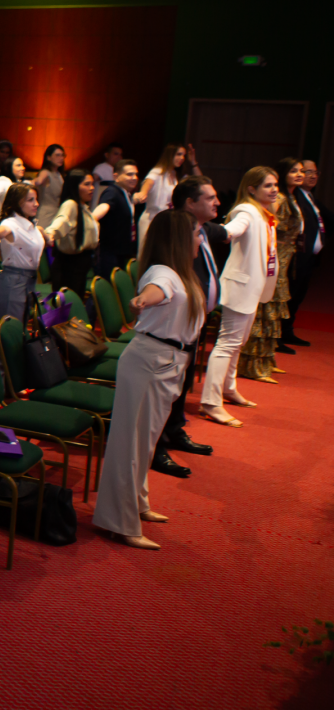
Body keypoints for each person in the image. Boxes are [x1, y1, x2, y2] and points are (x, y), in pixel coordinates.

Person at [92, 210, 208, 551]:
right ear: (179, 239)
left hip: (166, 362)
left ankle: (137, 504)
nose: (200, 240)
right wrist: (142, 299)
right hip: (149, 362)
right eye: (196, 234)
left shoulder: (181, 273)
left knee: (145, 442)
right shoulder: (163, 273)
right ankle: (118, 521)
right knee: (129, 444)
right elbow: (156, 291)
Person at [154, 175, 226, 476]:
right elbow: (159, 280)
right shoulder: (176, 235)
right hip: (175, 326)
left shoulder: (204, 229)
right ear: (189, 203)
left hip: (195, 321)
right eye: (209, 198)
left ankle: (174, 431)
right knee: (166, 389)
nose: (217, 202)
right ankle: (156, 446)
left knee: (181, 385)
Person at [198, 166, 280, 428]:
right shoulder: (246, 210)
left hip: (251, 287)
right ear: (251, 189)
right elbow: (233, 229)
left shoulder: (263, 213)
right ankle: (210, 402)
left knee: (238, 342)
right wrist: (223, 231)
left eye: (275, 184)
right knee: (227, 344)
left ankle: (228, 388)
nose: (274, 189)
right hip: (240, 287)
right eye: (268, 185)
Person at [238, 161, 300, 384]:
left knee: (272, 312)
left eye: (302, 170)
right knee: (264, 311)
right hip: (272, 259)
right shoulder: (275, 201)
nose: (300, 174)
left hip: (282, 259)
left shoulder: (291, 198)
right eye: (294, 171)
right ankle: (252, 364)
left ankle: (265, 358)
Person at [0, 183, 49, 337]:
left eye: (36, 199)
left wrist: (47, 235)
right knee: (8, 334)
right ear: (17, 203)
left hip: (29, 281)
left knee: (19, 332)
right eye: (30, 200)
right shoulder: (10, 223)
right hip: (13, 282)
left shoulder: (31, 225)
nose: (36, 204)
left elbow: (39, 234)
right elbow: (1, 231)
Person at [283, 158, 324, 348]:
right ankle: (279, 334)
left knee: (298, 295)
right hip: (293, 256)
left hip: (307, 257)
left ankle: (286, 331)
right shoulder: (292, 195)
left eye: (315, 172)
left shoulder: (309, 196)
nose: (312, 176)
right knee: (289, 295)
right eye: (308, 172)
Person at [47, 170, 100, 300]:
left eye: (92, 184)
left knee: (77, 304)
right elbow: (61, 221)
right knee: (69, 306)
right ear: (75, 186)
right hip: (69, 267)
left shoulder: (83, 206)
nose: (91, 188)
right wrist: (50, 233)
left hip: (81, 264)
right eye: (86, 184)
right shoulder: (70, 204)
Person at [94, 158, 140, 275]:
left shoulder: (125, 193)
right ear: (116, 177)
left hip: (122, 251)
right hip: (111, 253)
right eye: (129, 174)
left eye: (135, 174)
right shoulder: (112, 192)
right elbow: (103, 208)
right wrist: (93, 217)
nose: (134, 178)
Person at [135, 144, 186, 244]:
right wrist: (142, 193)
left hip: (167, 220)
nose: (182, 158)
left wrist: (193, 162)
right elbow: (148, 183)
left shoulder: (174, 174)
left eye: (183, 155)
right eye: (178, 154)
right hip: (152, 219)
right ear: (169, 155)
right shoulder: (157, 172)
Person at [33, 144, 68, 228]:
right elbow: (38, 181)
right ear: (48, 157)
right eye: (57, 155)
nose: (61, 158)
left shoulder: (59, 174)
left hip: (57, 212)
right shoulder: (45, 172)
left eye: (62, 155)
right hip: (46, 214)